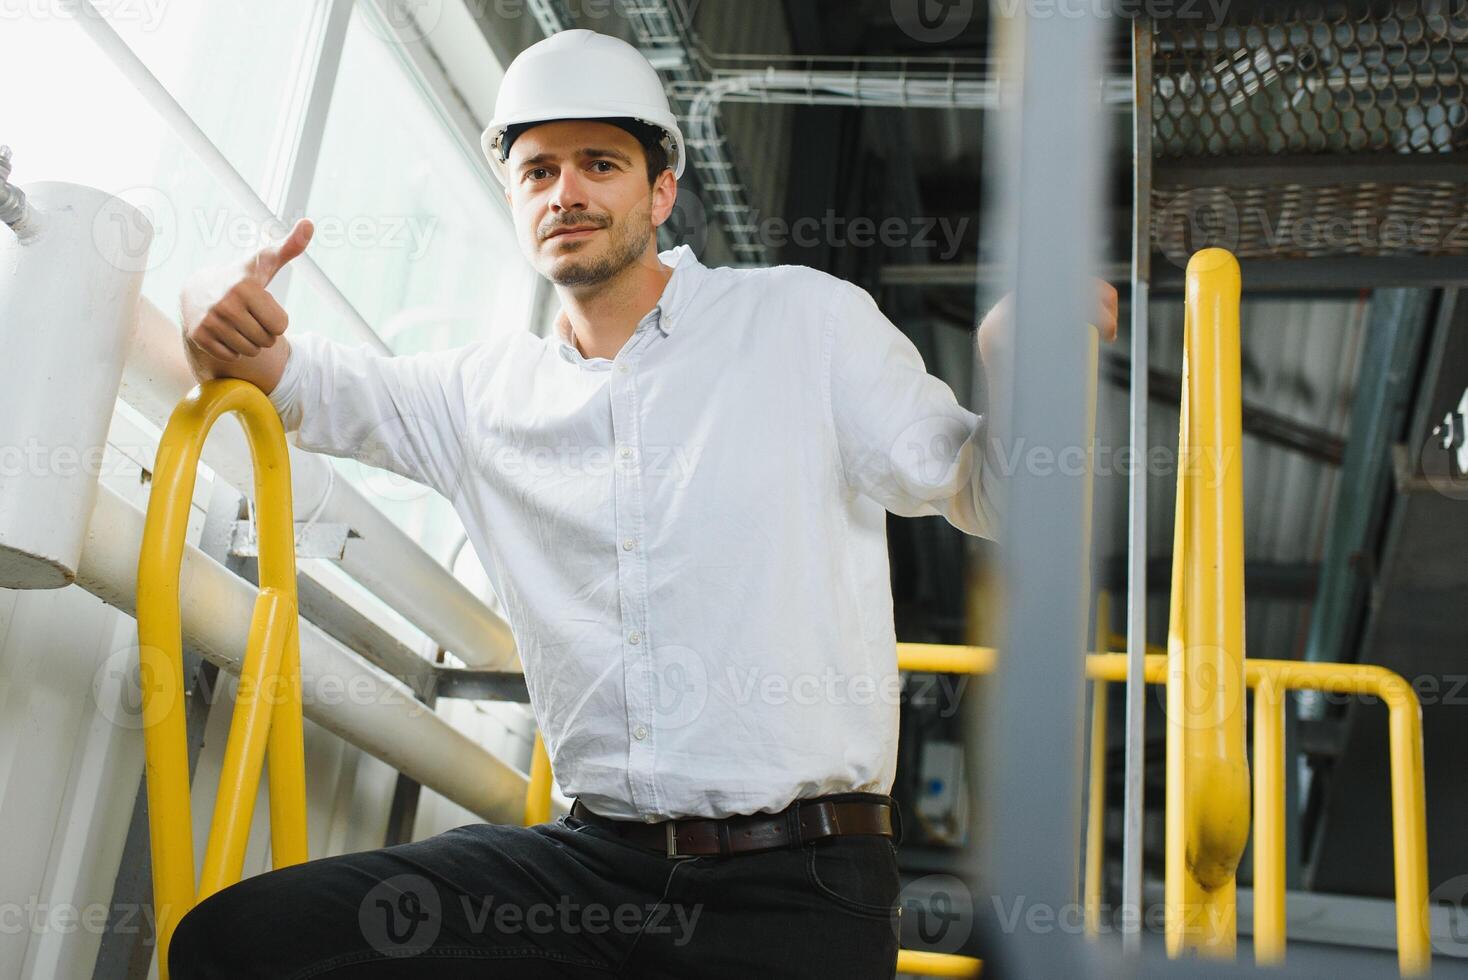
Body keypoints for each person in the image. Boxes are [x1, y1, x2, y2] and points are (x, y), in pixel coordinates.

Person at [167, 28, 1116, 980]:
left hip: (802, 889)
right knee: (235, 944)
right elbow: (279, 372)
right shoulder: (472, 397)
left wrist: (1022, 368)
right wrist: (208, 295)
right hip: (591, 872)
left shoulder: (804, 322)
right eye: (537, 172)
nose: (565, 192)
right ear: (512, 198)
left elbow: (986, 494)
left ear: (661, 191)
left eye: (600, 164)